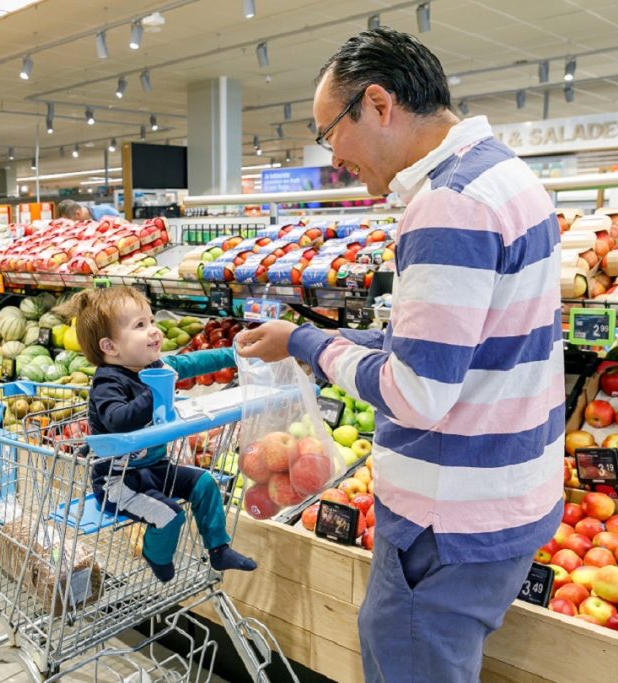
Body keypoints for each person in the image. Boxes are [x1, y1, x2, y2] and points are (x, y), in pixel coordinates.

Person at [235, 27, 563, 683]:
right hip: (508, 494)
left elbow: (418, 392)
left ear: (379, 104)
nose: (335, 160)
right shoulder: (506, 175)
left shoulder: (448, 206)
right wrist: (343, 344)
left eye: (332, 134)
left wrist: (309, 342)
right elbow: (462, 346)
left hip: (446, 521)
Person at [58, 287, 256, 583]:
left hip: (156, 469)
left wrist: (237, 354)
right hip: (118, 480)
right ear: (110, 346)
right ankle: (156, 554)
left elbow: (195, 362)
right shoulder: (108, 383)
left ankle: (218, 548)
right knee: (169, 515)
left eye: (151, 321)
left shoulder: (156, 367)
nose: (154, 331)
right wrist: (155, 391)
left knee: (204, 483)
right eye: (140, 325)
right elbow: (117, 421)